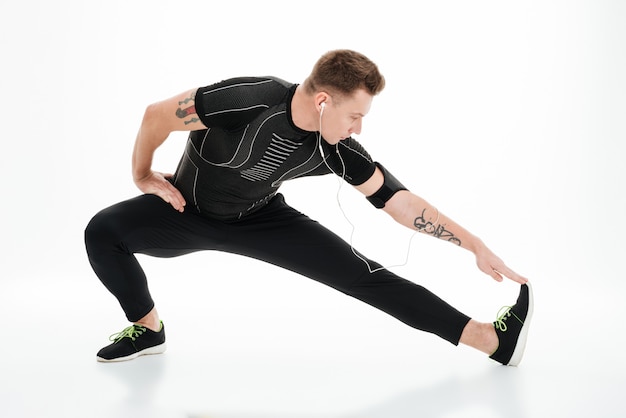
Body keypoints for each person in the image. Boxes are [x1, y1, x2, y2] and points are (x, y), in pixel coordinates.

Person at [85, 49, 533, 366]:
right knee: (102, 232)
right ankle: (148, 329)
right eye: (355, 115)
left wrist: (473, 243)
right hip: (185, 210)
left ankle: (492, 341)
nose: (358, 127)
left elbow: (398, 201)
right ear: (323, 101)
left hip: (262, 219)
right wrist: (142, 175)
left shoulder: (336, 147)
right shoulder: (248, 98)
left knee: (365, 277)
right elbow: (155, 116)